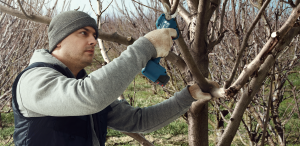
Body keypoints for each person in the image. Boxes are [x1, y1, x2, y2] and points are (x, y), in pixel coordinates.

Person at [12, 11, 215, 146]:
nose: (93, 40)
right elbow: (88, 97)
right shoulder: (33, 80)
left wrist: (187, 96)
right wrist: (145, 47)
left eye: (94, 34)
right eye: (83, 33)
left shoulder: (81, 84)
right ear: (58, 42)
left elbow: (139, 121)